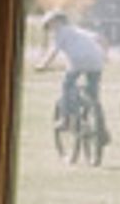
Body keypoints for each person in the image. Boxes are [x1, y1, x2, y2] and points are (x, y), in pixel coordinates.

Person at [41, 9, 111, 159]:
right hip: (96, 61)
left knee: (66, 86)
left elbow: (53, 52)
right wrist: (106, 56)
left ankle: (65, 119)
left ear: (56, 22)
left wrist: (43, 65)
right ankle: (101, 132)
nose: (50, 28)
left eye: (50, 24)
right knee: (94, 98)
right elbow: (102, 39)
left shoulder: (60, 33)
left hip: (78, 62)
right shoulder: (78, 31)